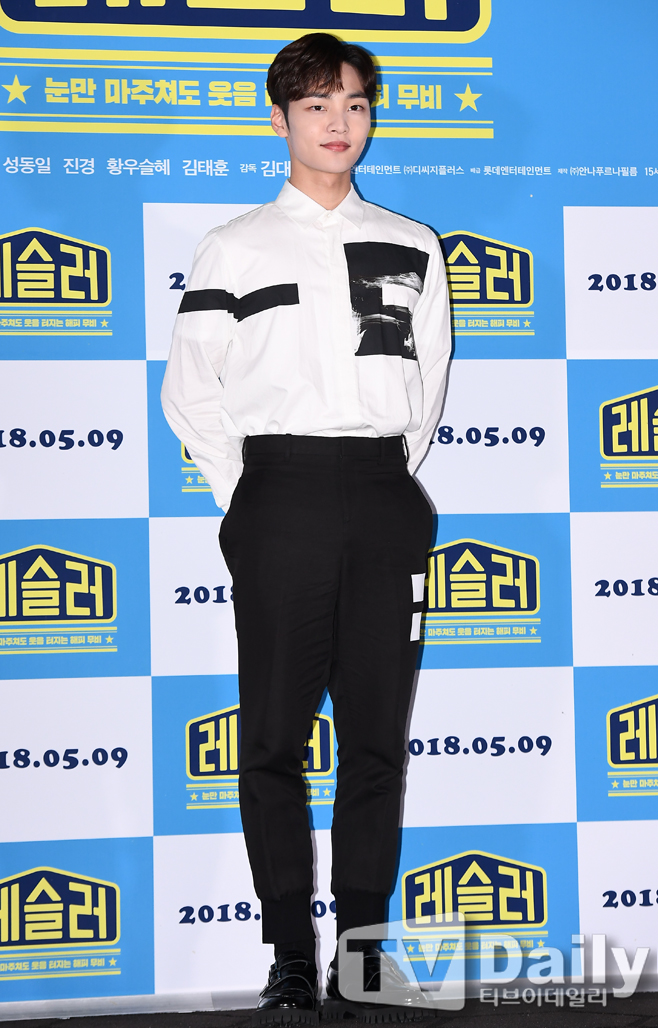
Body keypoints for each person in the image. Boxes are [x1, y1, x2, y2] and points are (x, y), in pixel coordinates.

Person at [161, 31, 451, 1025]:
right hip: (277, 495)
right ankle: (290, 954)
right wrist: (249, 497)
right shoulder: (235, 244)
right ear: (280, 118)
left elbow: (427, 388)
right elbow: (191, 392)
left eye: (355, 104)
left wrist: (377, 476)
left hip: (382, 492)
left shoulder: (412, 243)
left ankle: (360, 957)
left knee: (377, 741)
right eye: (318, 105)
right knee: (274, 739)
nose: (339, 123)